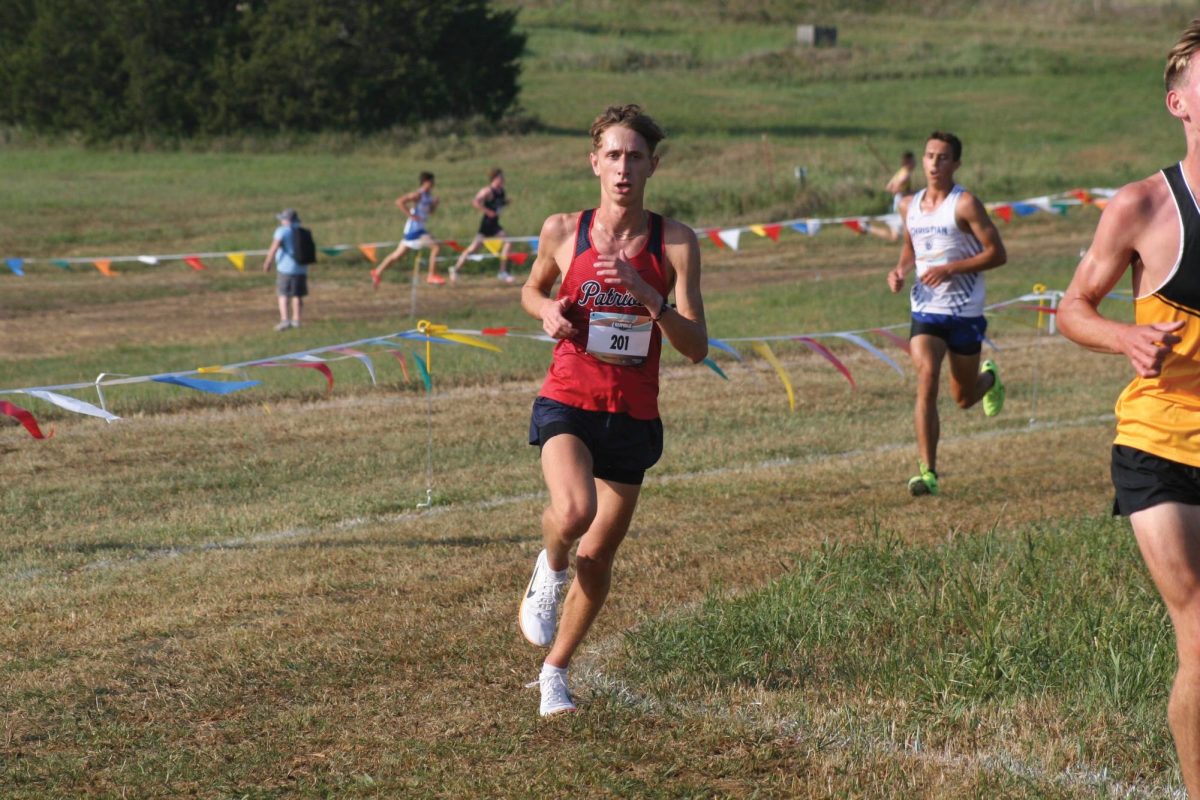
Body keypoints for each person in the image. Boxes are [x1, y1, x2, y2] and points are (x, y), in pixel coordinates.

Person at [517, 104, 707, 717]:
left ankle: (555, 674)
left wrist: (648, 294)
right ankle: (548, 568)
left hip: (633, 412)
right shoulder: (562, 230)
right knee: (574, 511)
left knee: (597, 559)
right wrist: (546, 312)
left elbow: (697, 346)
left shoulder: (674, 242)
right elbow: (532, 286)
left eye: (636, 156)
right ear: (594, 161)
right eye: (614, 155)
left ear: (653, 164)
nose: (624, 168)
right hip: (568, 395)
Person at [1057, 20, 1200, 796]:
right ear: (1180, 103)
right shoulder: (1144, 206)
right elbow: (1073, 308)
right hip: (1160, 445)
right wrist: (1126, 340)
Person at [886, 132, 1007, 496]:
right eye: (929, 156)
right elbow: (911, 248)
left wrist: (951, 268)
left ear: (956, 164)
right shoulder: (909, 206)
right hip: (926, 309)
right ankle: (928, 473)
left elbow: (997, 253)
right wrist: (900, 271)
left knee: (963, 398)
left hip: (965, 311)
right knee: (927, 377)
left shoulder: (965, 204)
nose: (934, 164)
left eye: (942, 158)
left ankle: (989, 380)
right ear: (922, 161)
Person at [371, 171, 444, 287]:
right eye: (431, 182)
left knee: (397, 256)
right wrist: (411, 216)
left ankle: (377, 272)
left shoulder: (428, 197)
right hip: (414, 230)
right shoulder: (417, 194)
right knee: (436, 246)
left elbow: (430, 212)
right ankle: (431, 275)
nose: (433, 184)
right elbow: (399, 202)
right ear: (425, 182)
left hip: (419, 228)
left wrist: (435, 204)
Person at [450, 168, 516, 284]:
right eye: (501, 177)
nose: (503, 179)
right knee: (473, 249)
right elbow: (475, 202)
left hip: (495, 225)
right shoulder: (487, 191)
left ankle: (502, 272)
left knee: (508, 242)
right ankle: (455, 269)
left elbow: (499, 203)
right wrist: (487, 211)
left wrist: (506, 202)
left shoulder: (501, 191)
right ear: (494, 179)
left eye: (503, 177)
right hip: (486, 225)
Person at [262, 208, 307, 331]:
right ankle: (296, 320)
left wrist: (268, 262)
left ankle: (285, 320)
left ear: (286, 220)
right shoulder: (301, 230)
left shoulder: (282, 231)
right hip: (301, 267)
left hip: (285, 268)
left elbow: (274, 246)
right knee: (297, 295)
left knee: (283, 294)